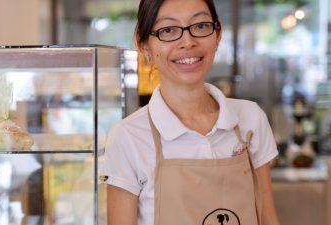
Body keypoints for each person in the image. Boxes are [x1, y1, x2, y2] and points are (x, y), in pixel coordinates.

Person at [105, 0, 281, 225]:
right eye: (168, 30)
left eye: (200, 26)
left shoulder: (250, 118)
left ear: (217, 34)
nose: (187, 42)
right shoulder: (128, 136)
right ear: (143, 44)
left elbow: (268, 218)